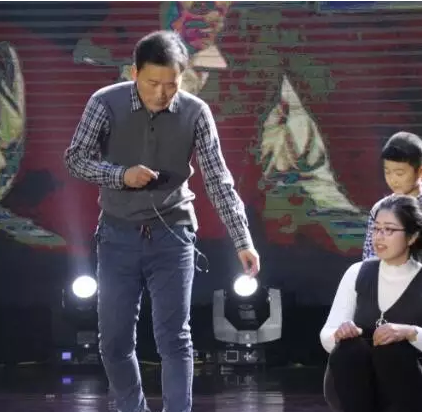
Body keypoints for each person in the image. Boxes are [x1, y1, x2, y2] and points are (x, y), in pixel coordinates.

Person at [64, 30, 260, 412]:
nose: (162, 93)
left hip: (174, 234)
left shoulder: (196, 112)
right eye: (153, 83)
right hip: (118, 235)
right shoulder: (104, 102)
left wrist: (243, 240)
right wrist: (120, 175)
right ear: (134, 73)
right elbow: (75, 159)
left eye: (171, 84)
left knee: (175, 338)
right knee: (114, 342)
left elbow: (218, 180)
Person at [320, 194, 422, 412]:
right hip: (356, 389)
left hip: (407, 390)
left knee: (392, 351)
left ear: (412, 237)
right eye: (376, 229)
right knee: (349, 349)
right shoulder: (356, 273)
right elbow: (327, 335)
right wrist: (339, 335)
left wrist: (410, 332)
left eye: (389, 230)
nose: (379, 237)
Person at [362, 130, 422, 412]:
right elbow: (369, 254)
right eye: (387, 172)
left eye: (400, 173)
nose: (393, 179)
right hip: (387, 300)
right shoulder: (380, 209)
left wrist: (411, 267)